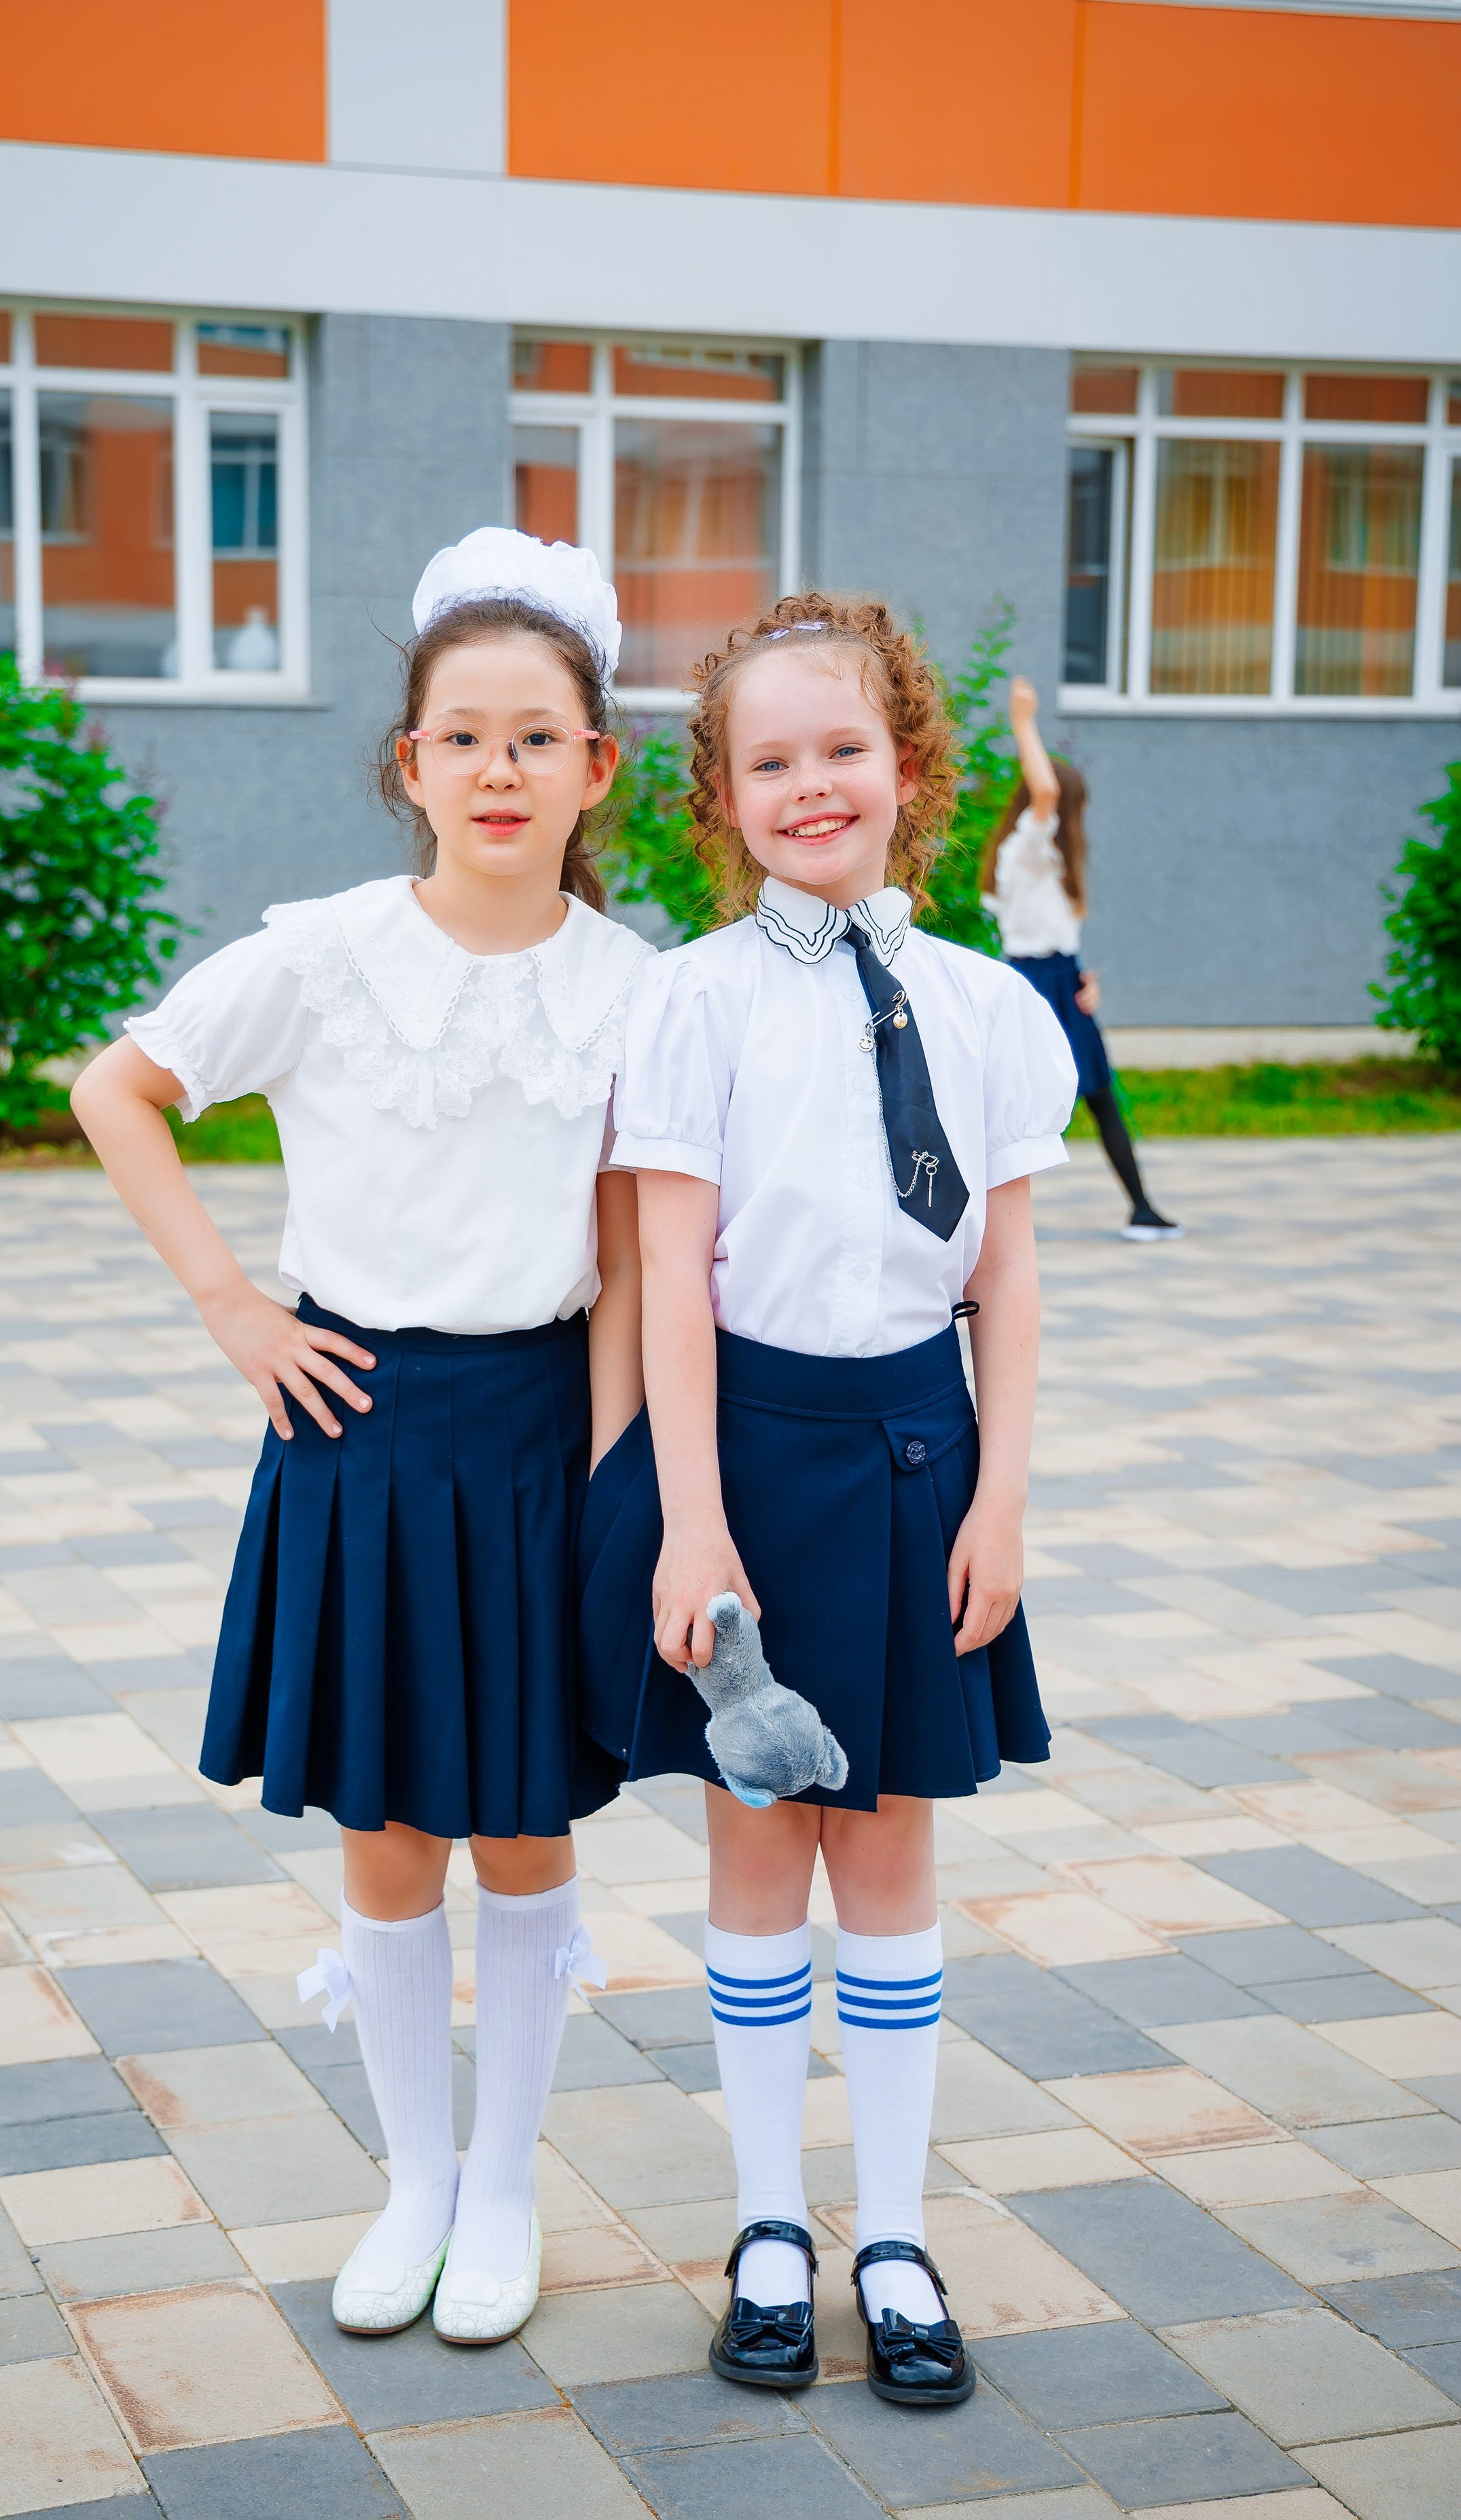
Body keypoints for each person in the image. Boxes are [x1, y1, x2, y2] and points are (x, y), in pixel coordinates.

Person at [71, 528, 653, 2348]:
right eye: (462, 735)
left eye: (536, 737)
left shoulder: (640, 986)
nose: (499, 768)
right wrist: (237, 1308)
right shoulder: (324, 954)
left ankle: (503, 2190)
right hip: (362, 1428)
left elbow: (638, 1260)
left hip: (550, 1426)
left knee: (531, 1830)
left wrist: (627, 1488)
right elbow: (121, 1086)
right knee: (395, 1836)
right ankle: (412, 2180)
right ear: (411, 762)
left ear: (595, 767)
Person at [577, 594, 1076, 2407]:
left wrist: (1000, 1501)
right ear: (720, 794)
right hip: (748, 1461)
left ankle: (894, 2231)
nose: (811, 786)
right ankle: (769, 2223)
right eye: (769, 761)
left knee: (887, 1847)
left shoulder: (993, 1007)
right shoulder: (688, 1001)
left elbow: (1006, 1280)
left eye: (842, 750)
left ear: (910, 769)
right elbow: (671, 1274)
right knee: (758, 1836)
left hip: (921, 1462)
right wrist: (689, 1526)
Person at [982, 679, 1180, 1241]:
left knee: (1099, 1096)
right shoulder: (1029, 849)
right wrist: (1023, 721)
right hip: (1032, 980)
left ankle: (1142, 1208)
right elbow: (1044, 794)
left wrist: (1082, 978)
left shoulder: (1046, 864)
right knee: (1006, 1105)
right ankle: (974, 1224)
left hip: (1062, 977)